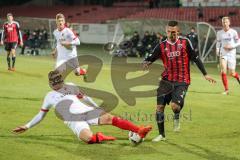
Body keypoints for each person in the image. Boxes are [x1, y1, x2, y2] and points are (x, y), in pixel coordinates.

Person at [12, 70, 152, 144]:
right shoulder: (49, 97)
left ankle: (139, 130)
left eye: (58, 82)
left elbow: (84, 97)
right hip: (74, 121)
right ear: (51, 84)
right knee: (88, 138)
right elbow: (41, 115)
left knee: (110, 118)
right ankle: (100, 137)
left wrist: (97, 107)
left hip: (86, 112)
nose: (57, 85)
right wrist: (27, 126)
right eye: (54, 83)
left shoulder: (71, 86)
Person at [143, 20, 216, 142]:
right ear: (166, 31)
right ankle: (162, 135)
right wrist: (146, 62)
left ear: (178, 31)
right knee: (159, 107)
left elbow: (196, 58)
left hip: (182, 80)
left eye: (174, 32)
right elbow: (151, 57)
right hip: (166, 80)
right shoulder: (161, 45)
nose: (171, 34)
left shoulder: (185, 42)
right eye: (169, 31)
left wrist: (205, 74)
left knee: (175, 106)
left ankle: (176, 115)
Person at [51, 13, 87, 80]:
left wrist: (68, 43)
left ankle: (84, 72)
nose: (60, 22)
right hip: (61, 56)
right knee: (58, 70)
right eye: (59, 21)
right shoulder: (55, 32)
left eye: (62, 20)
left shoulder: (68, 31)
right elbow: (59, 42)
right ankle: (60, 86)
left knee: (77, 73)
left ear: (64, 21)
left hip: (71, 55)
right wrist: (55, 51)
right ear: (56, 22)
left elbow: (78, 42)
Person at [216, 17, 240, 95]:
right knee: (223, 70)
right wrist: (217, 49)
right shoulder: (219, 33)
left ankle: (238, 76)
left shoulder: (233, 32)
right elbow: (218, 42)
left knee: (232, 73)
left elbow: (238, 42)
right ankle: (226, 90)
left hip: (232, 54)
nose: (225, 23)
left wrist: (232, 47)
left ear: (229, 23)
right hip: (223, 53)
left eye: (226, 22)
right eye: (223, 22)